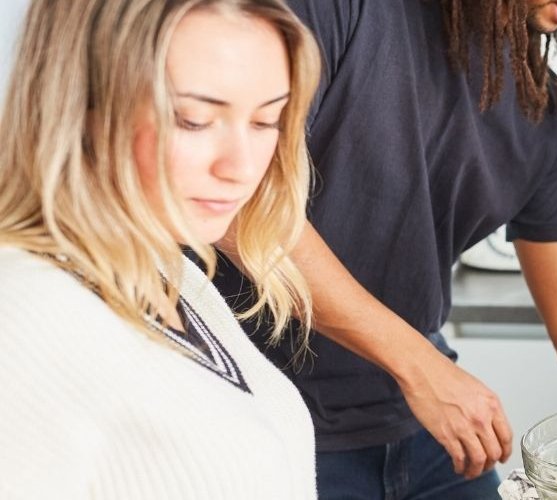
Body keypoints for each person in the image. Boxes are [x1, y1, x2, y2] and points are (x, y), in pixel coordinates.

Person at [209, 0, 557, 497]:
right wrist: (422, 366)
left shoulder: (540, 114)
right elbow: (238, 203)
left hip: (423, 432)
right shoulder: (343, 12)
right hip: (256, 418)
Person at [0, 0, 320, 497]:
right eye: (193, 120)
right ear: (82, 107)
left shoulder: (175, 273)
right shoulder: (24, 312)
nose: (241, 167)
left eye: (266, 122)